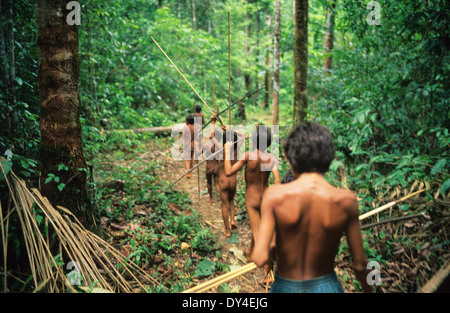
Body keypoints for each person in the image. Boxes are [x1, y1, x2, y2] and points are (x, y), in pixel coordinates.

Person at [251, 122, 372, 293]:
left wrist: (273, 248)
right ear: (329, 159)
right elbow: (360, 264)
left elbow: (259, 257)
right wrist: (370, 290)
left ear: (291, 161)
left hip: (286, 287)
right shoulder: (347, 201)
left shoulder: (274, 196)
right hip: (327, 287)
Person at [224, 124, 281, 285]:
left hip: (252, 199)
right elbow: (277, 180)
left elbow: (228, 171)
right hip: (267, 198)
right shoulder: (272, 158)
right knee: (264, 229)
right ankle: (250, 253)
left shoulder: (248, 156)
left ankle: (268, 272)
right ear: (268, 144)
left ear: (253, 141)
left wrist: (228, 151)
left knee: (259, 233)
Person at [209, 115, 241, 238]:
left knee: (224, 204)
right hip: (233, 180)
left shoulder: (220, 149)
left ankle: (227, 230)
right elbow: (242, 136)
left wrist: (213, 122)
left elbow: (212, 136)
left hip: (223, 180)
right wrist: (230, 130)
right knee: (231, 200)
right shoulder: (237, 150)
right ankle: (232, 219)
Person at [181, 114, 195, 179]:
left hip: (187, 145)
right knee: (191, 158)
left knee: (186, 160)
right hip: (193, 145)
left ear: (187, 121)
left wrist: (179, 146)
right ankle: (190, 171)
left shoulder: (186, 127)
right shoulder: (194, 127)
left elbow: (182, 137)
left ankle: (188, 171)